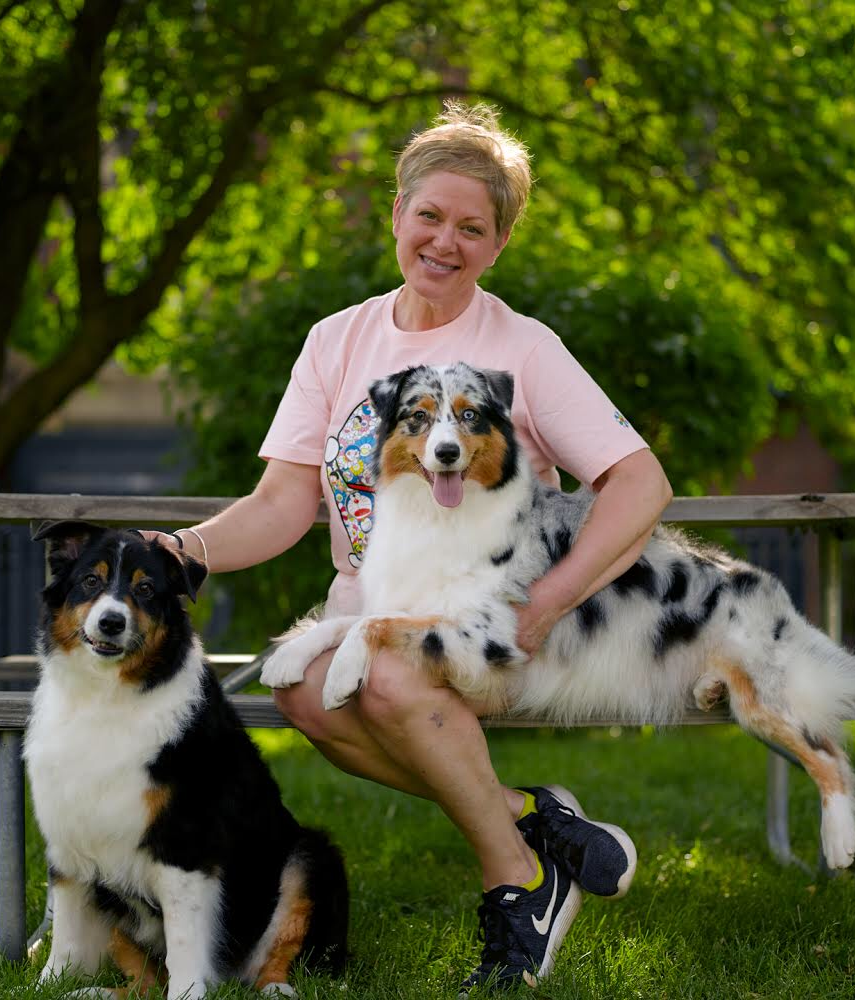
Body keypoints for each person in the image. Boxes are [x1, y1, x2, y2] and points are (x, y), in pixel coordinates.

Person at [142, 101, 673, 993]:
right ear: (396, 213)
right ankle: (533, 826)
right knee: (300, 689)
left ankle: (515, 883)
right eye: (429, 215)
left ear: (498, 245)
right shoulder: (337, 341)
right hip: (379, 614)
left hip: (495, 622)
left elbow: (641, 484)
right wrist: (183, 548)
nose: (445, 241)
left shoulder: (522, 349)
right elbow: (282, 502)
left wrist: (545, 604)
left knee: (383, 674)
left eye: (473, 228)